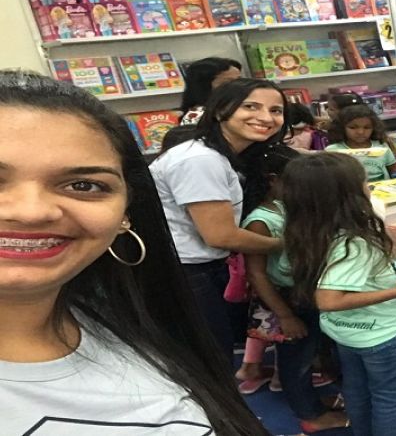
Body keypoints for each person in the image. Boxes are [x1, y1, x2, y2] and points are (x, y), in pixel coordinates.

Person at [0, 71, 268, 435]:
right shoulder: (198, 160)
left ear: (126, 211)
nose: (31, 212)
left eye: (84, 185)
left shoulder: (130, 319)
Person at [282, 152, 396, 436]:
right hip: (379, 332)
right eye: (364, 182)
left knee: (357, 390)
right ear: (348, 195)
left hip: (345, 332)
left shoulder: (308, 231)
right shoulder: (355, 242)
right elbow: (328, 299)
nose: (369, 186)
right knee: (391, 398)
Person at [149, 78, 286, 364]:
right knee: (209, 358)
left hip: (195, 269)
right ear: (222, 110)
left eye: (276, 110)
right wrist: (287, 245)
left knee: (214, 351)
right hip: (185, 272)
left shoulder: (220, 154)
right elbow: (220, 235)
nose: (265, 117)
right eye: (251, 107)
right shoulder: (200, 160)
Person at [238, 146, 348, 430]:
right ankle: (311, 416)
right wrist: (285, 315)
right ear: (273, 180)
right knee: (296, 361)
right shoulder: (260, 221)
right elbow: (256, 273)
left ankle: (312, 404)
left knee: (311, 352)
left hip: (309, 291)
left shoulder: (289, 206)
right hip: (289, 298)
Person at [325, 104, 396, 181]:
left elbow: (393, 172)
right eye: (353, 127)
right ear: (342, 128)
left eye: (367, 127)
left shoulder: (381, 146)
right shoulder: (333, 151)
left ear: (374, 128)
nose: (360, 132)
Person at [179, 57, 242, 125]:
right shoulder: (196, 116)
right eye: (228, 82)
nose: (239, 85)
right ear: (204, 86)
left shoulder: (232, 106)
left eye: (239, 80)